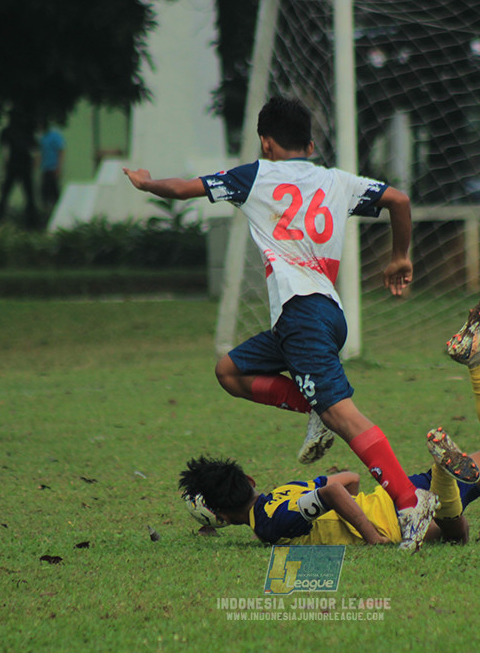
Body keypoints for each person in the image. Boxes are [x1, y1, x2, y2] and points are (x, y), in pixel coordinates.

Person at [125, 95, 435, 550]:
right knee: (229, 371)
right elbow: (399, 200)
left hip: (303, 315)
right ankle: (314, 409)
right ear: (310, 144)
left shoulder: (255, 175)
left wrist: (147, 182)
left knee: (344, 415)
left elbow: (181, 189)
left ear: (266, 143)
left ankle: (410, 504)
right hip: (320, 315)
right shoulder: (337, 181)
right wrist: (399, 256)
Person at [178, 293, 480, 547]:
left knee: (457, 529)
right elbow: (347, 479)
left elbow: (331, 492)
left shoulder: (267, 524)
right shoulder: (282, 492)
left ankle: (442, 475)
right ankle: (474, 365)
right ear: (249, 479)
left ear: (220, 517)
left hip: (392, 522)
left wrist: (369, 535)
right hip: (392, 495)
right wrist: (355, 508)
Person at [0, 110, 39, 228]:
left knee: (5, 193)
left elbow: (4, 150)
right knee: (29, 194)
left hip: (13, 165)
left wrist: (3, 165)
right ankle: (32, 222)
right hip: (24, 165)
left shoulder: (7, 131)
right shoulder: (27, 131)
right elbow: (34, 150)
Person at [39, 125, 65, 214]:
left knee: (54, 191)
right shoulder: (42, 137)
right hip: (45, 168)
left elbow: (61, 150)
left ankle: (58, 210)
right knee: (44, 191)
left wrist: (59, 167)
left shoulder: (54, 136)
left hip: (53, 168)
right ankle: (46, 210)